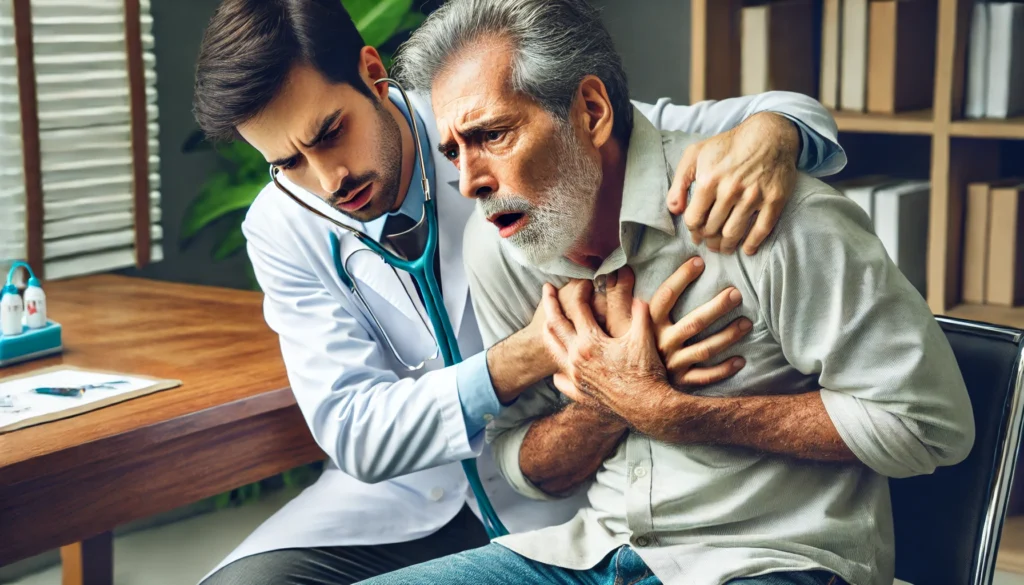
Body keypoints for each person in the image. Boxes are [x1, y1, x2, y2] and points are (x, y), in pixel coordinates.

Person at [190, 0, 847, 582]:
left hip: (554, 479)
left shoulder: (490, 119)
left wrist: (774, 135)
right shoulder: (281, 226)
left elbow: (753, 117)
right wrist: (530, 352)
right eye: (286, 163)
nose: (328, 178)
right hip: (402, 500)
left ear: (371, 72)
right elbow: (358, 436)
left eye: (330, 133)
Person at [358, 0, 977, 584]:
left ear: (592, 112)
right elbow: (526, 466)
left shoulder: (773, 219)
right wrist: (608, 403)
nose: (468, 182)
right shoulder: (500, 246)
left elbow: (926, 426)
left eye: (492, 135)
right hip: (590, 553)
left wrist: (675, 414)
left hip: (770, 561)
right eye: (452, 151)